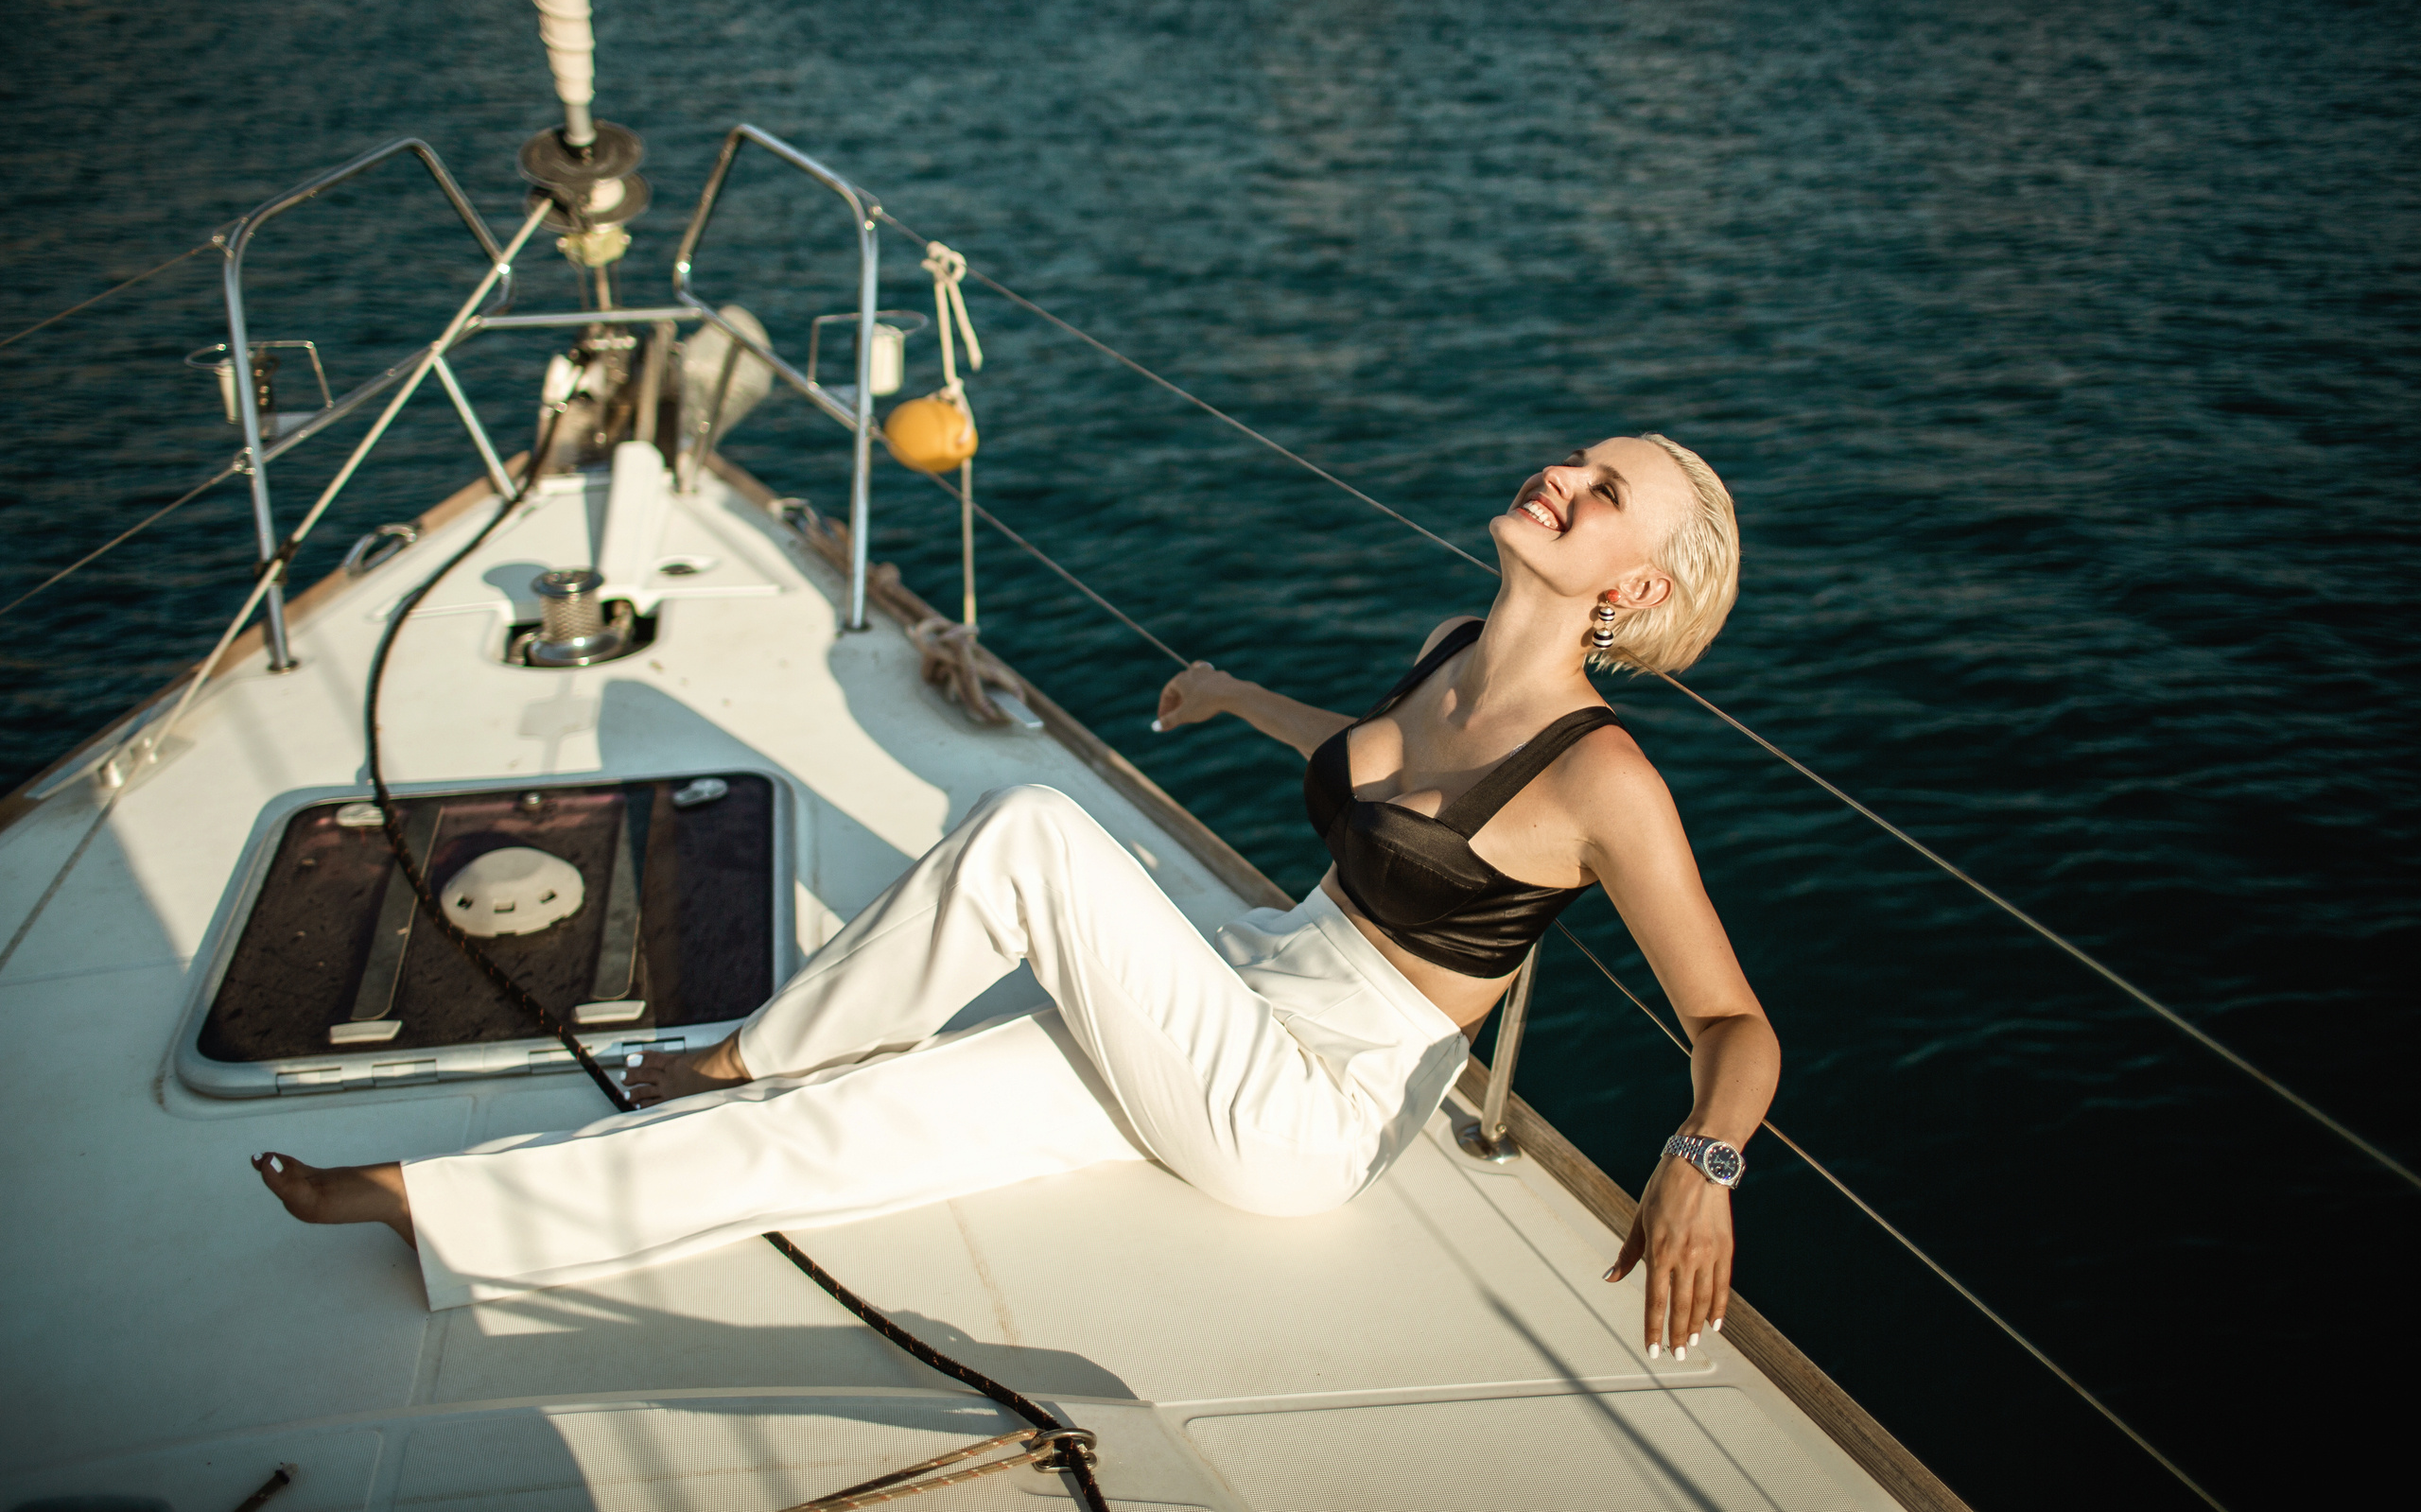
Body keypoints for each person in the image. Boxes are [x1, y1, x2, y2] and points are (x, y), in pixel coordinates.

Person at [254, 431, 1776, 1360]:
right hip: (1250, 990)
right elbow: (1371, 758)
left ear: (1633, 588)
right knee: (869, 1121)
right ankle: (445, 1210)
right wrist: (1234, 694)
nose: (1561, 477)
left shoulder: (1605, 780)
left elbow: (1733, 1024)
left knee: (1037, 832)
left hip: (1316, 1106)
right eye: (1576, 460)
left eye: (1603, 492)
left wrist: (1702, 1160)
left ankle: (741, 1053)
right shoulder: (1451, 647)